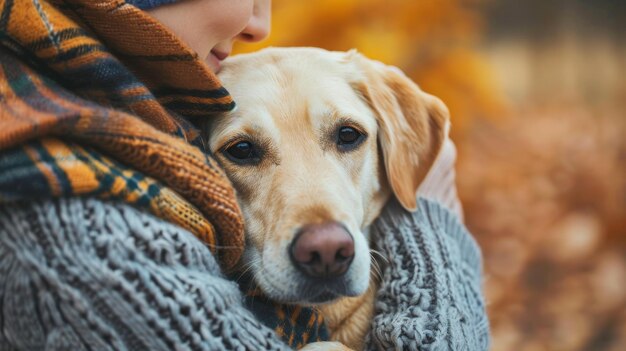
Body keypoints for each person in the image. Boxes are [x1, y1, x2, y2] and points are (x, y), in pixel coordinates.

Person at [0, 0, 488, 350]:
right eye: (244, 150)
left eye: (346, 138)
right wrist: (432, 223)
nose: (261, 21)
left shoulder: (131, 125)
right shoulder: (74, 220)